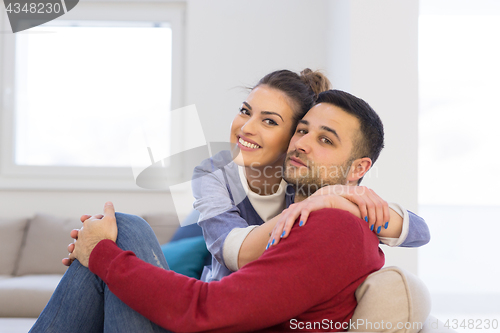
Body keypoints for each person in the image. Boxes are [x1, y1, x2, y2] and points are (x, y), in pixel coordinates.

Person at [31, 89, 421, 332]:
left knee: (118, 234)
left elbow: (206, 309)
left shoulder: (335, 227)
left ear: (358, 170)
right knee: (118, 231)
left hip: (208, 318)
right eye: (302, 131)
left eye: (325, 140)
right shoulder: (305, 208)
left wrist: (101, 254)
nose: (303, 144)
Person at [193, 69, 429, 282]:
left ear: (291, 136)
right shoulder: (214, 172)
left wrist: (332, 199)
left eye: (269, 121)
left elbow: (419, 231)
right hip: (219, 293)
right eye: (245, 111)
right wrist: (325, 201)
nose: (246, 128)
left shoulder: (304, 177)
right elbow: (236, 253)